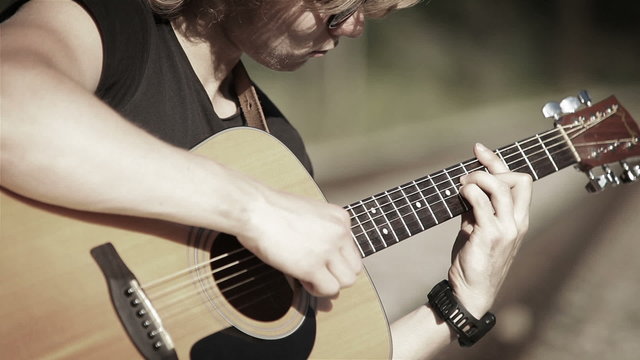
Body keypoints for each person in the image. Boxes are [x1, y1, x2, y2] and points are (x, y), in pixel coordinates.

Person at [0, 0, 532, 358]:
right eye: (338, 6)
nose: (353, 27)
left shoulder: (276, 145)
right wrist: (251, 210)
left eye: (369, 9)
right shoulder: (111, 24)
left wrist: (459, 305)